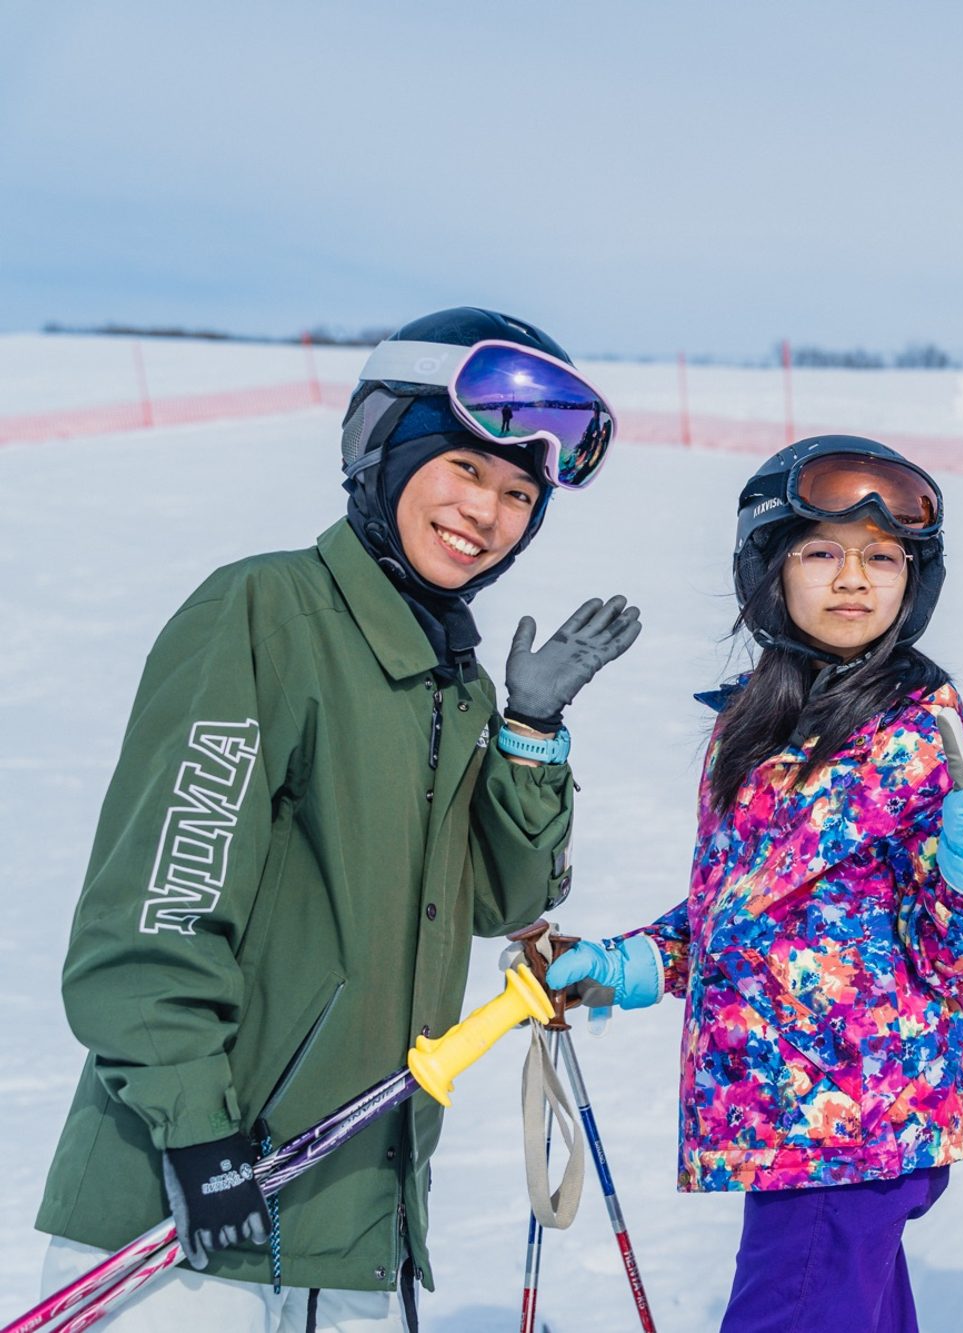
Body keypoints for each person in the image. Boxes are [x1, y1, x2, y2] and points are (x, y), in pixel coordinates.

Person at [35, 307, 644, 1329]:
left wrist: (530, 731)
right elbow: (164, 893)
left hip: (357, 1223)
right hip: (186, 1214)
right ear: (381, 450)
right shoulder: (265, 615)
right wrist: (192, 1129)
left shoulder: (449, 679)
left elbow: (502, 897)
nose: (486, 514)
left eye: (517, 493)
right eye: (461, 470)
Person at [545, 436, 963, 1333]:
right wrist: (632, 964)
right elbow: (747, 914)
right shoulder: (758, 729)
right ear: (770, 572)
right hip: (790, 1124)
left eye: (881, 557)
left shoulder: (924, 733)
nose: (854, 578)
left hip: (851, 1130)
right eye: (822, 552)